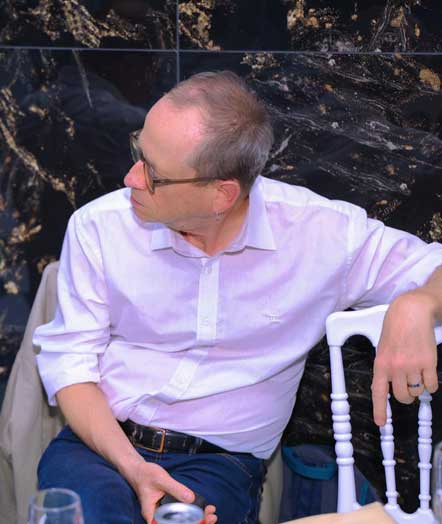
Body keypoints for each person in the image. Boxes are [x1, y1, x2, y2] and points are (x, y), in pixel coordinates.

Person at [33, 71, 442, 524]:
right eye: (138, 152)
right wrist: (133, 467)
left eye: (154, 174)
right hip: (101, 445)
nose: (130, 177)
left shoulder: (319, 234)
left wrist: (418, 303)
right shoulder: (99, 226)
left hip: (217, 463)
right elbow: (71, 365)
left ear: (221, 194)